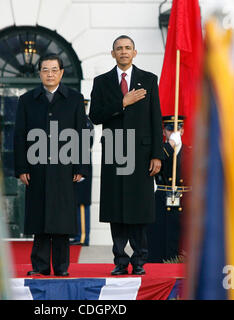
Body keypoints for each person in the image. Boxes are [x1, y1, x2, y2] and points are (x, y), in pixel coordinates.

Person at [89, 35, 164, 275]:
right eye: (119, 49)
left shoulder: (149, 80)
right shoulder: (101, 82)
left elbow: (155, 119)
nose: (123, 52)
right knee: (116, 207)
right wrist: (122, 102)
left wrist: (157, 155)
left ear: (135, 52)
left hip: (142, 155)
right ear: (113, 54)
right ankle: (120, 261)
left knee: (139, 208)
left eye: (127, 48)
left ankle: (140, 260)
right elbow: (95, 116)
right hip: (114, 151)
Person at [13, 53, 88, 276]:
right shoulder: (27, 100)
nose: (50, 74)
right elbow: (19, 136)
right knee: (39, 218)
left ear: (61, 73)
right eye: (45, 70)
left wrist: (80, 166)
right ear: (40, 73)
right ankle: (40, 266)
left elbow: (82, 134)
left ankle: (62, 267)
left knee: (62, 220)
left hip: (65, 168)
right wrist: (22, 168)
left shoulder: (74, 98)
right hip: (36, 168)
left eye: (54, 70)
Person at [146, 115, 191, 263]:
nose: (174, 132)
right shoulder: (158, 151)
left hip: (184, 201)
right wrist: (169, 146)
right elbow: (151, 167)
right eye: (170, 129)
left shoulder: (191, 152)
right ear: (163, 131)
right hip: (162, 199)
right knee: (159, 240)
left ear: (183, 131)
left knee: (183, 240)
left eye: (178, 128)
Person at [71, 101, 94, 246]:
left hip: (82, 164)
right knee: (76, 202)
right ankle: (77, 234)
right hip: (76, 163)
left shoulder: (85, 122)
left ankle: (83, 236)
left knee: (82, 203)